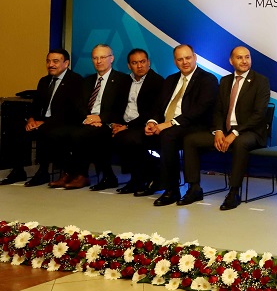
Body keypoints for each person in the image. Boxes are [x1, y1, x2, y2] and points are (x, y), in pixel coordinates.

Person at [178, 46, 271, 210]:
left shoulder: (261, 81)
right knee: (190, 140)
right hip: (225, 131)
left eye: (247, 57)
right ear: (231, 61)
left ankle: (234, 192)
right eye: (240, 57)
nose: (244, 61)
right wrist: (218, 131)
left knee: (240, 142)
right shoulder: (225, 81)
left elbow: (259, 115)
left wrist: (234, 133)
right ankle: (194, 188)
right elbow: (218, 110)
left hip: (251, 132)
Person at [143, 44, 219, 206]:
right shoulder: (170, 80)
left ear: (195, 57)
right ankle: (150, 180)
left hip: (196, 125)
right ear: (175, 61)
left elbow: (200, 110)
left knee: (168, 135)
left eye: (188, 58)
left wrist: (170, 123)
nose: (185, 62)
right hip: (170, 125)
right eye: (180, 59)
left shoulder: (208, 79)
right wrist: (152, 122)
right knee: (141, 134)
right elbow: (159, 106)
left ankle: (172, 189)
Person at [49, 44, 131, 190]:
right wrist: (88, 118)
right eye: (95, 58)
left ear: (111, 58)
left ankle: (82, 175)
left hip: (109, 123)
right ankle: (69, 172)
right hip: (88, 121)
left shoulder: (122, 80)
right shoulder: (87, 81)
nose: (98, 61)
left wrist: (100, 119)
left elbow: (122, 107)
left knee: (81, 135)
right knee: (57, 133)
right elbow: (79, 105)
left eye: (102, 57)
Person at [0, 49, 83, 187]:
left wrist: (45, 122)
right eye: (48, 61)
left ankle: (43, 171)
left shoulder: (75, 80)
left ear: (66, 63)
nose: (51, 65)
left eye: (55, 61)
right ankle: (18, 170)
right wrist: (31, 119)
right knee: (15, 128)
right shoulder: (44, 81)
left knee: (45, 131)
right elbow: (36, 105)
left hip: (63, 122)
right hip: (42, 120)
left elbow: (71, 111)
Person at [110, 49, 165, 194]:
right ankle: (137, 178)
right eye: (135, 63)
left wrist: (127, 126)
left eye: (142, 62)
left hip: (145, 124)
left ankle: (142, 177)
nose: (139, 66)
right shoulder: (124, 81)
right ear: (129, 66)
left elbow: (153, 111)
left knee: (128, 138)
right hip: (125, 124)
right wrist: (115, 124)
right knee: (106, 134)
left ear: (148, 62)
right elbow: (117, 105)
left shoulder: (157, 82)